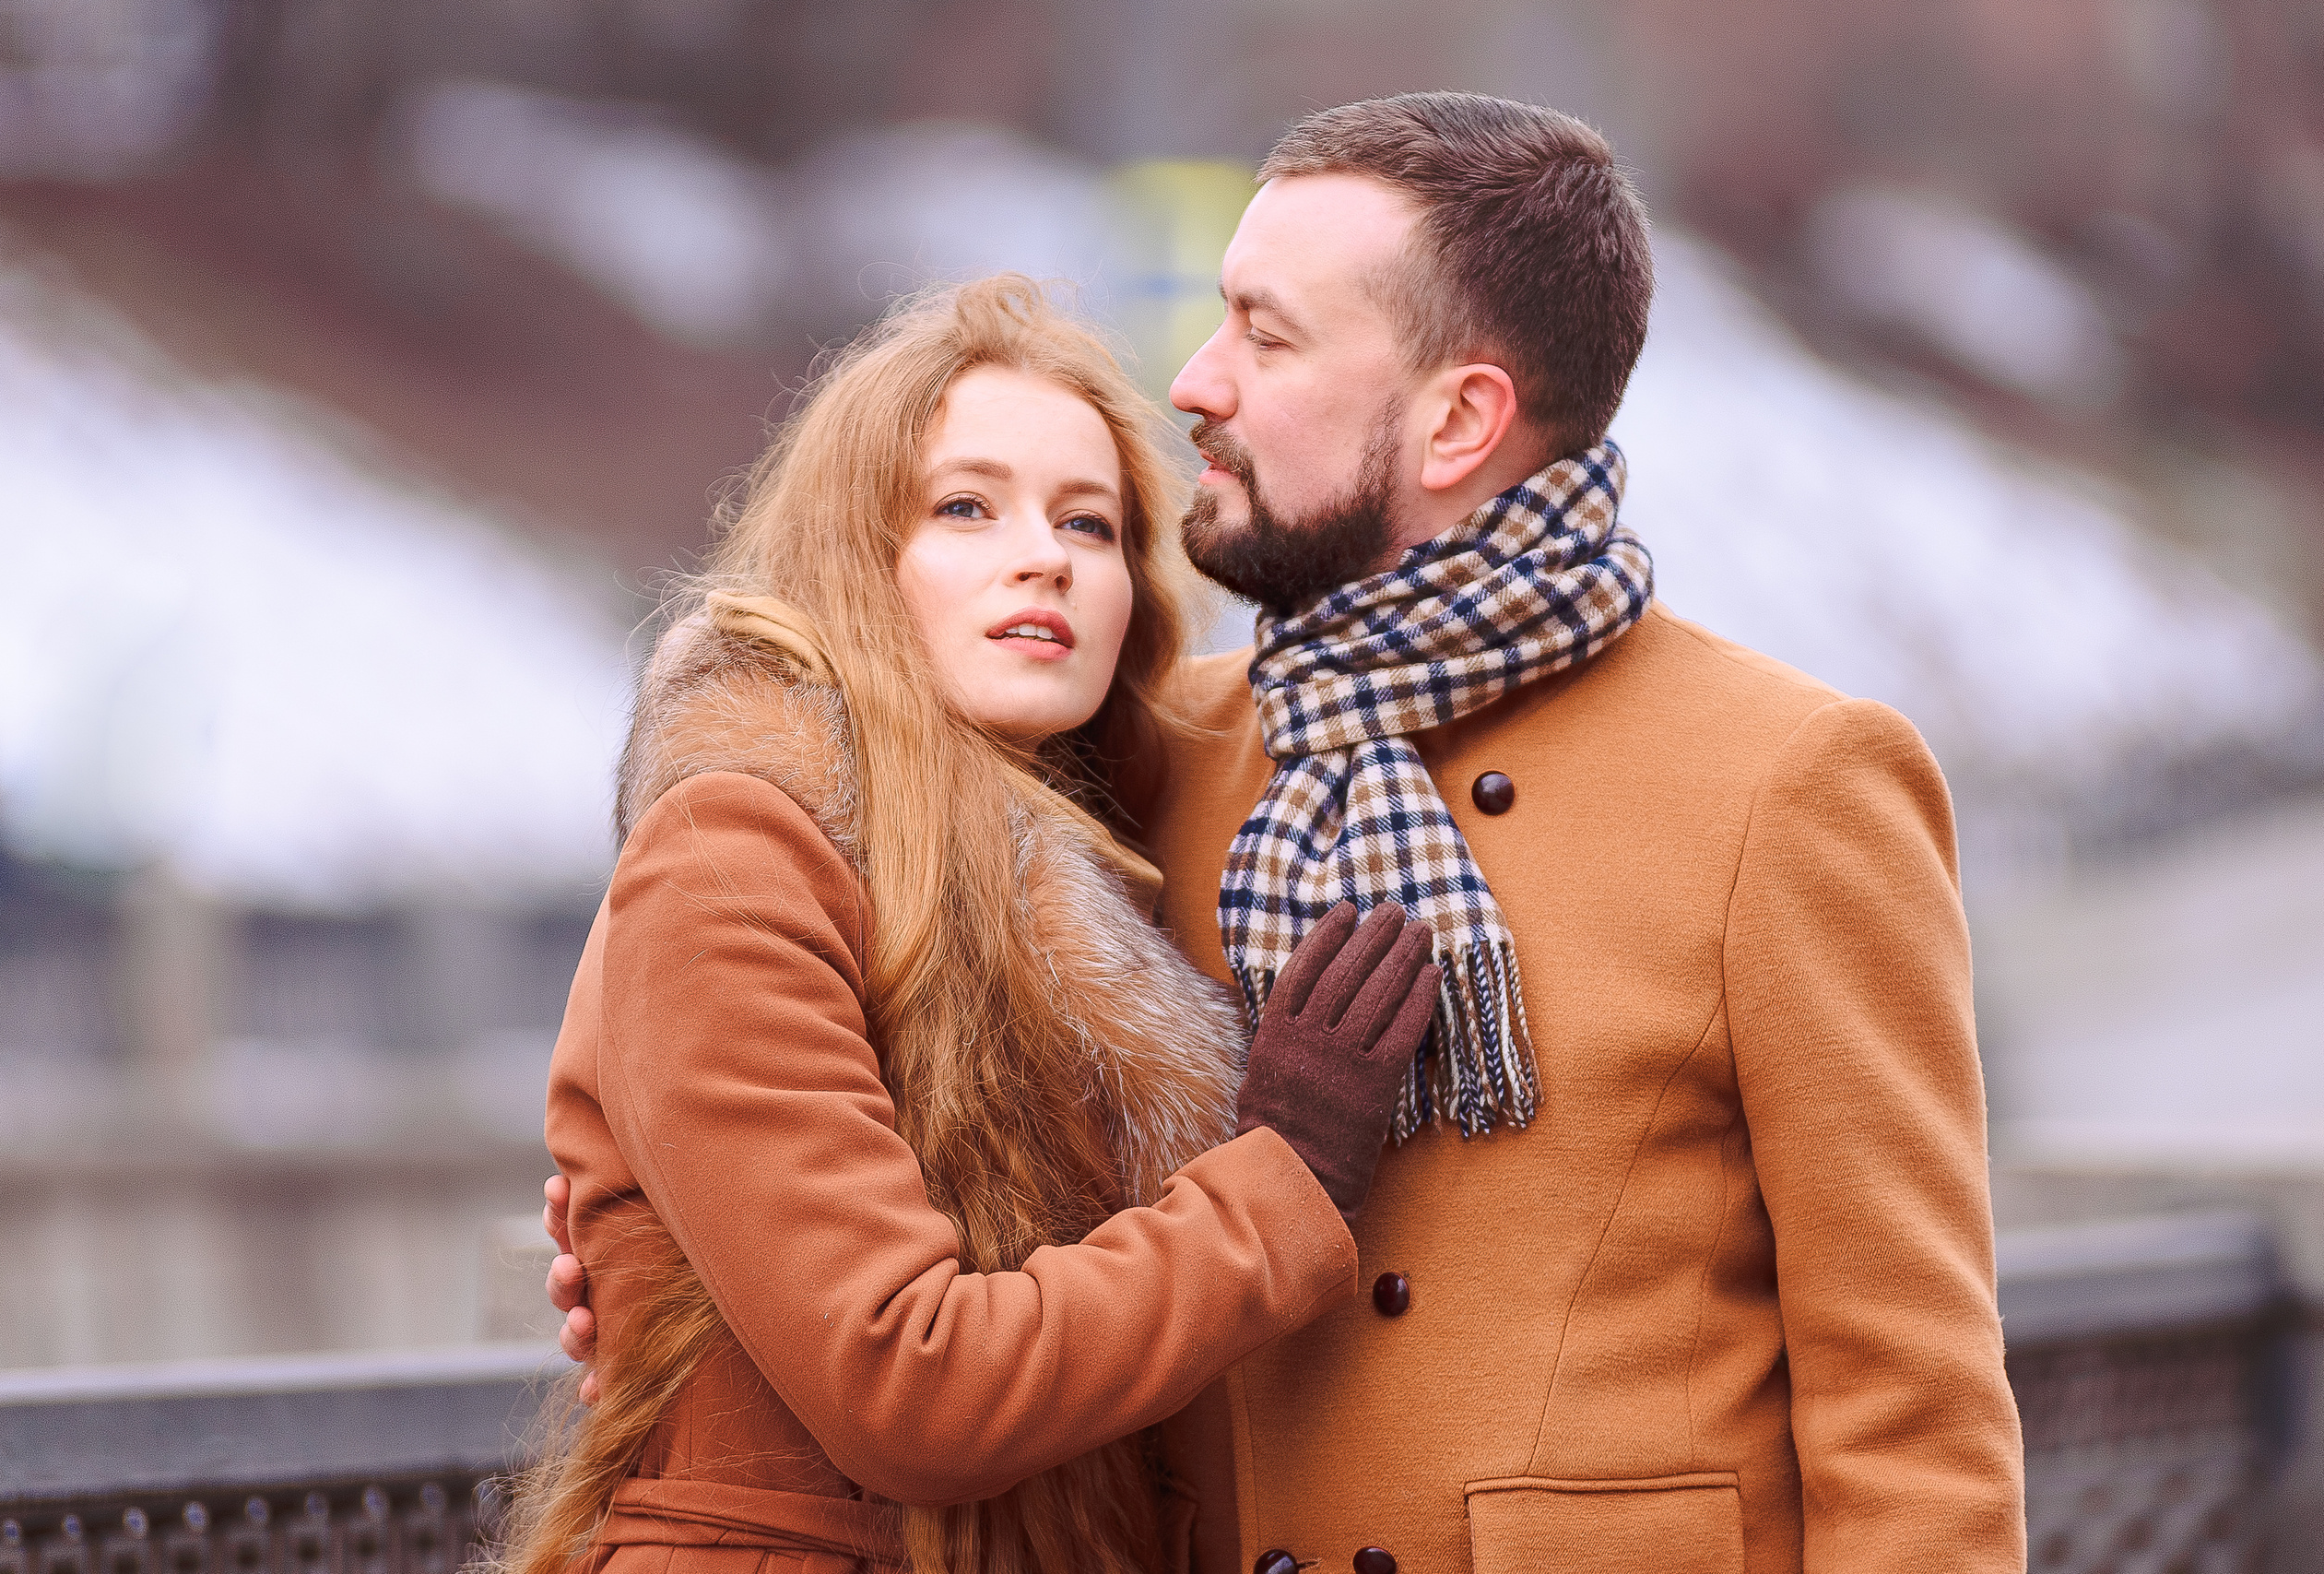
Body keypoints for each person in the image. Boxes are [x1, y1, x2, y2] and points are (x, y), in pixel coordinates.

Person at [554, 92, 2028, 1573]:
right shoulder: (1140, 761)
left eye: (1266, 337)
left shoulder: (1789, 781)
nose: (1195, 383)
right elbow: (833, 957)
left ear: (1458, 420)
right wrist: (640, 1224)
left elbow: (1912, 1420)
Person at [515, 275, 1439, 1574]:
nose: (1044, 556)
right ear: (853, 559)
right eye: (966, 507)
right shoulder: (738, 849)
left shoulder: (1085, 885)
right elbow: (905, 1385)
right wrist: (1281, 1176)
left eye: (1091, 523)